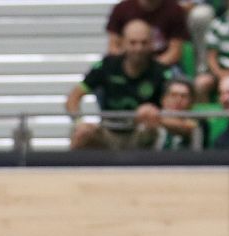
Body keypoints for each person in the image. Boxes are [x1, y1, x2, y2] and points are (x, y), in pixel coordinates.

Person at [67, 19, 169, 149]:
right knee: (83, 133)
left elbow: (175, 109)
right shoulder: (107, 66)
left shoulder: (161, 72)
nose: (138, 48)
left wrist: (155, 116)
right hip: (108, 132)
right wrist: (79, 122)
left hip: (141, 133)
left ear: (152, 44)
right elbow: (73, 97)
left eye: (144, 43)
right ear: (123, 43)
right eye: (133, 43)